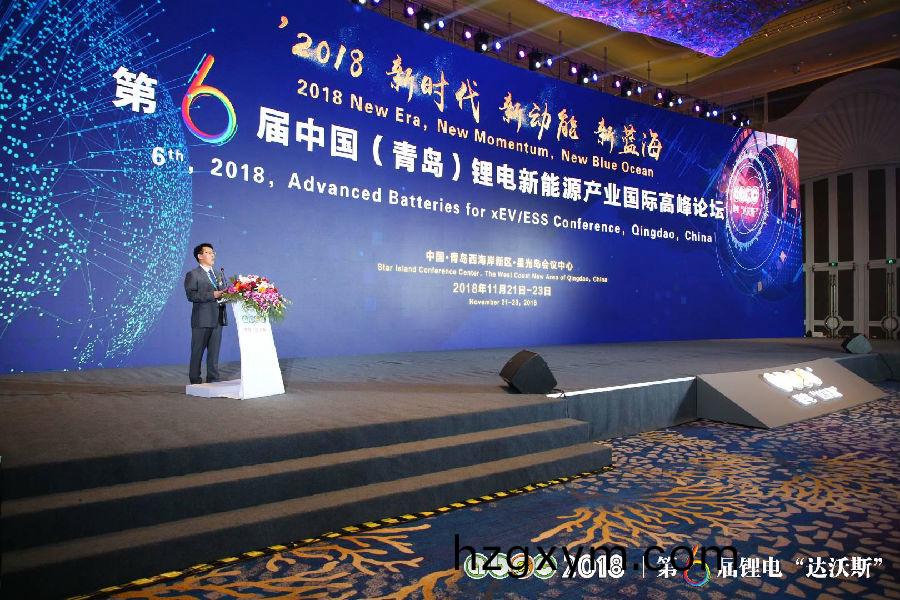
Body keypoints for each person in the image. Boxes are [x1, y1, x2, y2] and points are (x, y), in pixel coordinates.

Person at [184, 243, 227, 384]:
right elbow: (191, 296)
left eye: (213, 252)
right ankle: (195, 380)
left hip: (218, 318)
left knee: (214, 353)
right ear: (200, 256)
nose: (212, 255)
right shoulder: (193, 274)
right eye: (208, 252)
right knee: (197, 352)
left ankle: (213, 379)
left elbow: (223, 291)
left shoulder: (218, 274)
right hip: (202, 319)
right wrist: (212, 294)